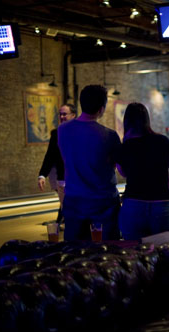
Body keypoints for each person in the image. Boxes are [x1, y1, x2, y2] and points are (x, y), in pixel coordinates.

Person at [58, 85, 122, 241]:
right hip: (104, 201)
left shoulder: (62, 130)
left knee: (75, 252)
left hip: (74, 199)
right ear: (101, 108)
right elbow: (119, 167)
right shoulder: (109, 135)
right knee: (109, 250)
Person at [117, 103, 169, 241]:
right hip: (161, 205)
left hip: (133, 205)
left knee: (134, 253)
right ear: (147, 119)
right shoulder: (163, 141)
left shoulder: (125, 146)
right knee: (166, 251)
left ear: (127, 121)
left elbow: (123, 173)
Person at [38, 104, 77, 224]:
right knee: (68, 211)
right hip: (62, 180)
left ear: (73, 115)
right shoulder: (56, 133)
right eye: (60, 114)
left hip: (78, 179)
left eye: (65, 114)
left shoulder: (80, 131)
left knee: (79, 212)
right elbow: (50, 155)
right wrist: (42, 175)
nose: (61, 116)